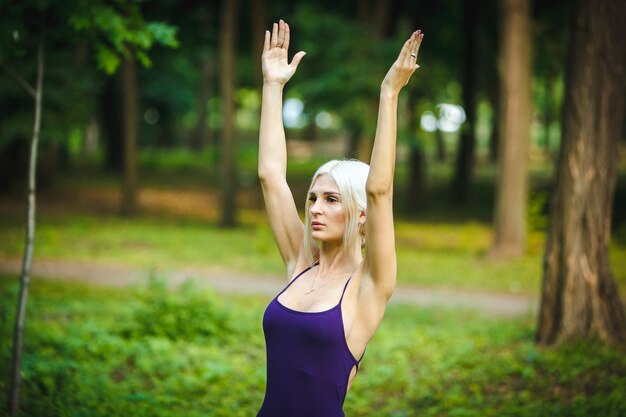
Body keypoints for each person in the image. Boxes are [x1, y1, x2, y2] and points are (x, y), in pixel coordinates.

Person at [256, 19, 423, 417]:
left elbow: (380, 189)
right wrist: (273, 86)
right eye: (312, 198)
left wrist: (389, 93)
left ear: (361, 215)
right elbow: (270, 175)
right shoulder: (300, 263)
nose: (314, 208)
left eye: (331, 199)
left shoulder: (370, 284)